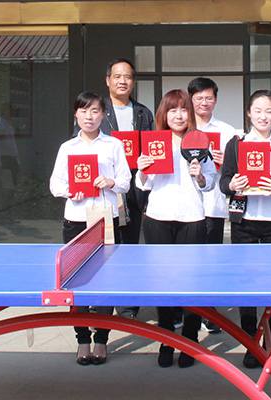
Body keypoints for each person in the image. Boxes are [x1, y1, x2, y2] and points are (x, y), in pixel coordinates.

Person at [136, 89, 217, 368]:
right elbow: (142, 184)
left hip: (193, 218)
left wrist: (201, 176)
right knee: (164, 281)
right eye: (173, 110)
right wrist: (143, 169)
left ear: (190, 114)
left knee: (191, 281)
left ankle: (191, 339)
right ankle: (167, 336)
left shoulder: (199, 143)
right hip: (158, 217)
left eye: (183, 109)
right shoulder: (154, 143)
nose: (179, 114)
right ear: (164, 114)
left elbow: (212, 183)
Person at [49, 91, 131, 365]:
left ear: (103, 114)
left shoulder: (113, 145)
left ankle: (102, 339)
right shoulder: (67, 148)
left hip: (105, 218)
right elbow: (54, 185)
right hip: (76, 219)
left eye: (95, 111)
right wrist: (71, 191)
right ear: (76, 114)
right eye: (84, 111)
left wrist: (110, 182)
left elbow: (126, 181)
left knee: (106, 281)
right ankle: (82, 338)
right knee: (76, 281)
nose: (89, 116)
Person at [220, 89, 271, 369]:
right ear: (249, 113)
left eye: (269, 111)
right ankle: (251, 342)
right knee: (247, 285)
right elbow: (224, 180)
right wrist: (233, 184)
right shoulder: (237, 142)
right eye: (258, 111)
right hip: (244, 223)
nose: (263, 116)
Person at [102, 58, 154, 320]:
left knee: (131, 244)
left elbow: (153, 148)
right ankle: (99, 300)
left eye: (128, 77)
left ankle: (127, 305)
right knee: (103, 246)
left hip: (134, 185)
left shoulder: (144, 113)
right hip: (104, 188)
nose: (123, 81)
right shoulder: (97, 111)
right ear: (108, 80)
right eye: (118, 76)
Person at [187, 77, 238, 334]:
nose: (204, 102)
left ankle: (208, 310)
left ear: (215, 100)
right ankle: (184, 309)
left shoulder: (229, 132)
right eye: (199, 98)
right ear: (191, 100)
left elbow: (236, 173)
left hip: (214, 205)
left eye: (208, 97)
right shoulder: (181, 128)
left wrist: (224, 162)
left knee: (210, 261)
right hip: (185, 208)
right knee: (186, 261)